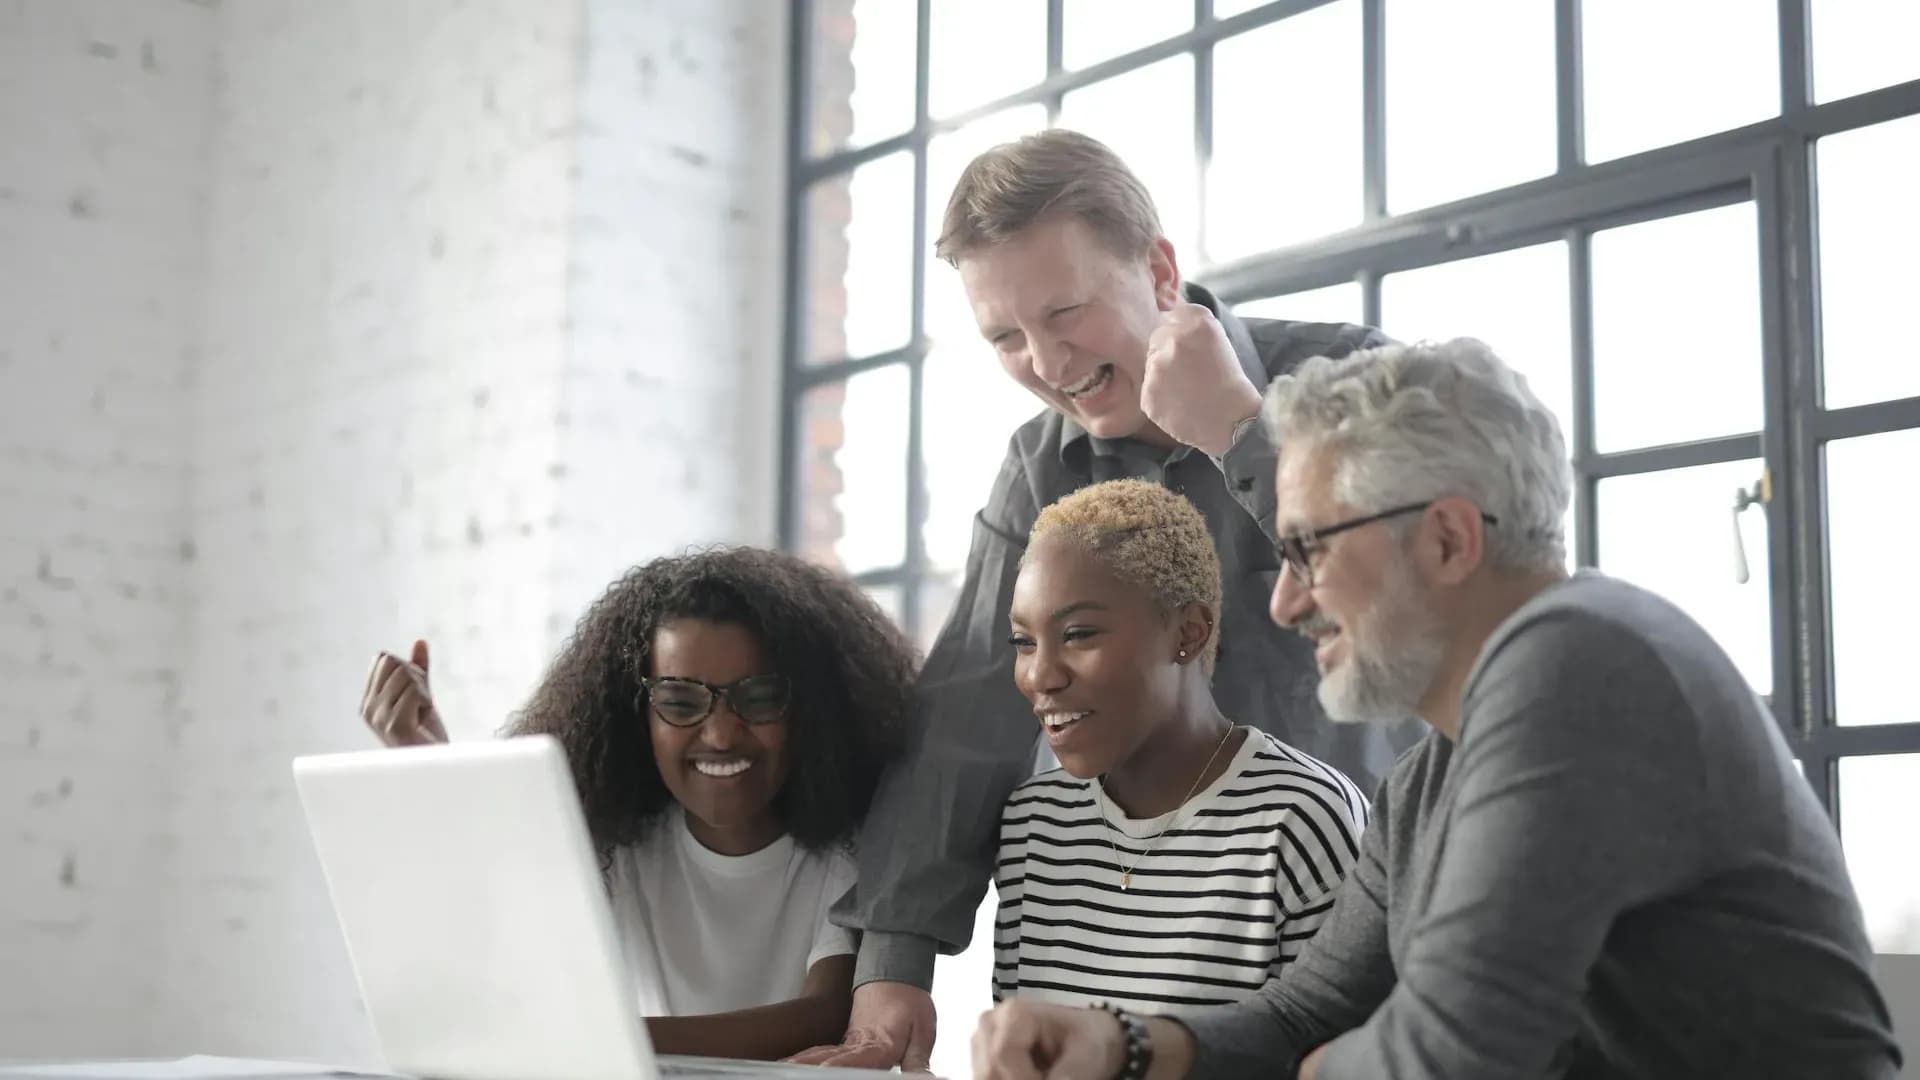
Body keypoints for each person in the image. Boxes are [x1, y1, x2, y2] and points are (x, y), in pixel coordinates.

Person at [969, 338, 1903, 1079]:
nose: (1287, 602)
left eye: (1310, 551)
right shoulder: (1431, 776)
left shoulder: (1580, 660)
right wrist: (1120, 1045)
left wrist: (1343, 1062)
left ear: (1450, 538)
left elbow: (1447, 1057)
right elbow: (1305, 1016)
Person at [794, 129, 1419, 1070]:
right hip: (1143, 958)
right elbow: (965, 713)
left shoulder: (1353, 378)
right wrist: (894, 958)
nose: (1043, 362)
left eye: (1065, 312)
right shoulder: (1038, 464)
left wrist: (1238, 432)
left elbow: (1411, 592)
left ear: (1160, 271)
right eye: (1004, 336)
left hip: (1360, 939)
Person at [357, 547, 916, 1061]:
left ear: (808, 710)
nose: (720, 734)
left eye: (760, 697)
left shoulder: (851, 845)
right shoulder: (607, 847)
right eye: (679, 700)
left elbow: (822, 1017)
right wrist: (425, 764)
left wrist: (600, 1038)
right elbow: (490, 946)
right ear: (635, 714)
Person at [994, 478, 1368, 1014]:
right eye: (1023, 643)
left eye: (1078, 634)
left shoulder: (1302, 820)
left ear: (1188, 633)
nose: (1040, 675)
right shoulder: (1034, 823)